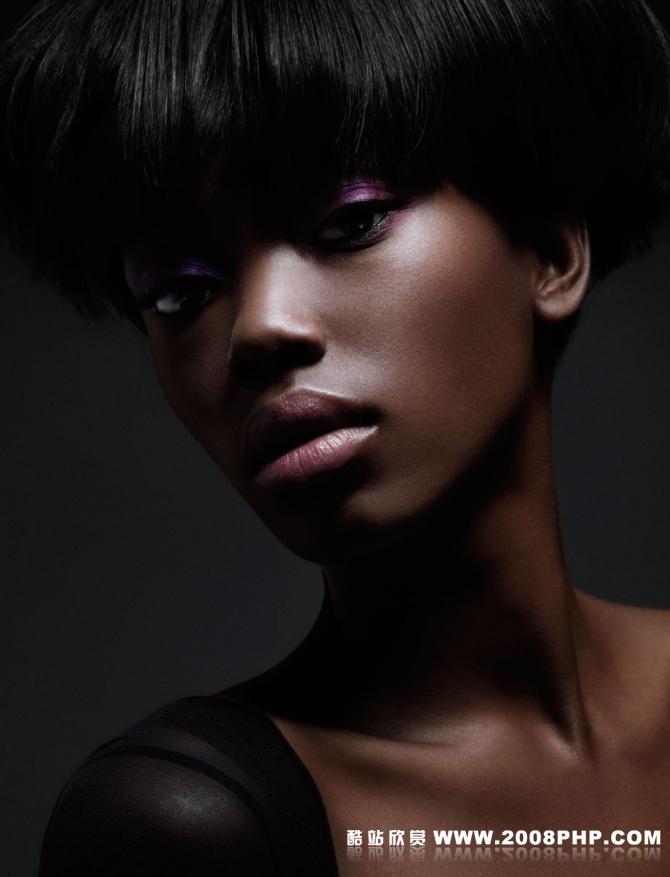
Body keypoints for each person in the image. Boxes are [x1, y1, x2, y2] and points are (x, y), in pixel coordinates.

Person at [2, 0, 670, 874]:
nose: (258, 329)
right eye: (179, 292)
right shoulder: (190, 827)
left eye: (350, 223)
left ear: (549, 250)